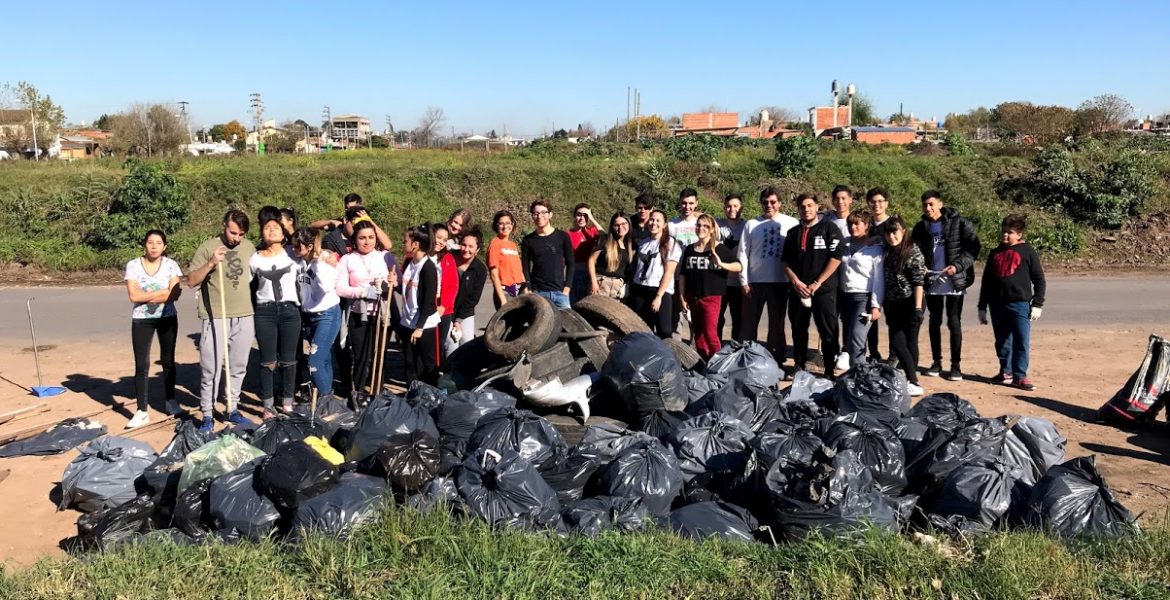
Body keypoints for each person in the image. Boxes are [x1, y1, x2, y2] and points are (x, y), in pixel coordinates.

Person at [187, 209, 256, 433]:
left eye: (241, 234)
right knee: (211, 368)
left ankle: (232, 408)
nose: (236, 238)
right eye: (233, 232)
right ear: (224, 226)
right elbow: (191, 280)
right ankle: (207, 413)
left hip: (245, 314)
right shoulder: (208, 247)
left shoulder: (249, 248)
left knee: (238, 366)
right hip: (216, 315)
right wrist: (211, 263)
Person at [912, 189, 981, 381]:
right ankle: (936, 363)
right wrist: (921, 265)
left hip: (954, 280)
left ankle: (955, 366)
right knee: (934, 321)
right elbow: (914, 250)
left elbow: (974, 247)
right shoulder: (921, 227)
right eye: (925, 205)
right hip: (932, 280)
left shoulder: (959, 223)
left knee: (954, 321)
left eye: (931, 204)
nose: (928, 208)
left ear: (940, 204)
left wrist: (957, 266)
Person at [978, 214, 1047, 392]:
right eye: (1003, 231)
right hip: (997, 304)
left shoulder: (1027, 251)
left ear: (1019, 234)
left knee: (1021, 340)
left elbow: (1039, 279)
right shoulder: (995, 253)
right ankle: (1005, 372)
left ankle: (1020, 376)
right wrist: (982, 306)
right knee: (1002, 341)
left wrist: (1037, 304)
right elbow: (986, 282)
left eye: (1010, 232)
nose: (1005, 235)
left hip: (1020, 304)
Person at [123, 229, 182, 429]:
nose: (154, 246)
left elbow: (174, 294)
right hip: (142, 320)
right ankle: (142, 411)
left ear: (164, 247)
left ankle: (171, 401)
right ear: (144, 245)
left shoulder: (171, 265)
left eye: (158, 243)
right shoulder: (133, 265)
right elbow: (133, 296)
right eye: (150, 242)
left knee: (168, 361)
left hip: (167, 317)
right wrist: (162, 293)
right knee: (142, 364)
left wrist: (147, 296)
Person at [738, 186, 800, 367]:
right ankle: (746, 358)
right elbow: (743, 253)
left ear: (780, 203)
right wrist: (744, 280)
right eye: (765, 202)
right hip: (754, 281)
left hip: (780, 282)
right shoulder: (751, 224)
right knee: (749, 323)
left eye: (773, 202)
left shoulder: (791, 223)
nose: (769, 205)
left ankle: (776, 360)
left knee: (777, 324)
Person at [782, 193, 843, 377]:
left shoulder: (829, 228)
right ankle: (799, 365)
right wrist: (795, 282)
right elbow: (785, 261)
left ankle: (829, 369)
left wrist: (818, 282)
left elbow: (836, 257)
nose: (806, 209)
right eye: (802, 206)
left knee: (828, 330)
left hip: (823, 290)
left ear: (817, 207)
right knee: (798, 329)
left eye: (810, 205)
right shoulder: (793, 232)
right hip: (798, 290)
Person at [250, 206, 303, 419]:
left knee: (289, 360)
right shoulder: (255, 258)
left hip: (290, 310)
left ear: (283, 234)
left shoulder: (294, 254)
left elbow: (312, 248)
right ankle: (268, 405)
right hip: (265, 311)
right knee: (267, 361)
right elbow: (242, 282)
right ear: (261, 233)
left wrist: (327, 256)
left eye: (275, 227)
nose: (271, 230)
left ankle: (287, 402)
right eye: (267, 228)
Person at [335, 218, 394, 403]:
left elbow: (398, 281)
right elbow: (340, 288)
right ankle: (358, 394)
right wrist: (362, 292)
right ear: (355, 240)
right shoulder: (347, 259)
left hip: (382, 313)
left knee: (379, 355)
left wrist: (391, 283)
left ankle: (377, 392)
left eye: (371, 237)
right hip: (358, 314)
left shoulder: (386, 257)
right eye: (362, 238)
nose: (367, 241)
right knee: (361, 356)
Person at [679, 213, 742, 360]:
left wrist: (721, 264)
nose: (701, 228)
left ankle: (718, 363)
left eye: (706, 226)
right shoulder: (689, 249)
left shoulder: (718, 248)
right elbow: (683, 275)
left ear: (712, 229)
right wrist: (682, 296)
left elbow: (738, 266)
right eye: (699, 225)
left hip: (711, 297)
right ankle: (704, 362)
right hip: (692, 296)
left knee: (710, 333)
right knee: (698, 333)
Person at [291, 227, 342, 403]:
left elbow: (327, 286)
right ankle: (327, 398)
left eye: (297, 246)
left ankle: (326, 401)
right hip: (309, 316)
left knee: (314, 362)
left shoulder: (323, 261)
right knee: (324, 359)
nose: (294, 249)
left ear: (309, 246)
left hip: (327, 314)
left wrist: (319, 263)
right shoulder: (300, 262)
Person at [882, 216, 926, 397]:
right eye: (888, 233)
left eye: (895, 232)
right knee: (897, 341)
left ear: (903, 231)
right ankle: (911, 378)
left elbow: (918, 282)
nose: (891, 237)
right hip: (893, 302)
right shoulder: (888, 251)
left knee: (908, 341)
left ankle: (913, 381)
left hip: (911, 302)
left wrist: (917, 308)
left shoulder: (913, 251)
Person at [836, 211, 884, 369]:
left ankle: (859, 374)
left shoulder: (875, 248)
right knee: (850, 339)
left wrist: (876, 305)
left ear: (866, 226)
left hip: (863, 298)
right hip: (845, 296)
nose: (853, 227)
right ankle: (855, 373)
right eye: (850, 224)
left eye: (857, 224)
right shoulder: (844, 245)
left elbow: (878, 279)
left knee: (857, 338)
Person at [627, 209, 682, 337]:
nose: (654, 223)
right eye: (652, 219)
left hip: (659, 290)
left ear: (664, 224)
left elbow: (669, 273)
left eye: (658, 220)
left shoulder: (670, 243)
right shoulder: (643, 243)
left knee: (664, 330)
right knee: (644, 329)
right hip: (640, 289)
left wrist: (658, 296)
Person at [399, 224, 442, 385]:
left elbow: (429, 302)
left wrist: (419, 327)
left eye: (405, 241)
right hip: (408, 320)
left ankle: (431, 392)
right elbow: (407, 289)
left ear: (415, 244)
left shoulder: (428, 267)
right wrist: (392, 283)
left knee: (427, 363)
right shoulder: (409, 263)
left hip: (424, 323)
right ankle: (412, 393)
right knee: (410, 362)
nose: (403, 243)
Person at [520, 198, 574, 309]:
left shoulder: (562, 236)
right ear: (532, 216)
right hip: (538, 293)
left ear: (550, 215)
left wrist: (567, 288)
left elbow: (571, 263)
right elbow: (525, 267)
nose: (539, 216)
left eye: (543, 212)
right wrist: (528, 288)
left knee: (567, 320)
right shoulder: (528, 240)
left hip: (560, 293)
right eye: (536, 213)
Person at [865, 186, 893, 362]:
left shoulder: (893, 224)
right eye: (873, 202)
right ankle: (873, 352)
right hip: (870, 277)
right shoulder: (866, 225)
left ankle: (894, 354)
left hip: (890, 276)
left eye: (880, 201)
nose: (877, 205)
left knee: (892, 319)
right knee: (871, 316)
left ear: (886, 203)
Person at [451, 228, 488, 352]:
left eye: (471, 246)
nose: (466, 249)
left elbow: (473, 298)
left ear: (477, 249)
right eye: (464, 245)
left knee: (467, 343)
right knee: (450, 343)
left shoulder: (480, 269)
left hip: (465, 312)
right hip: (446, 309)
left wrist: (458, 321)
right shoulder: (449, 259)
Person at [717, 193, 746, 341]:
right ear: (724, 208)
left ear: (741, 208)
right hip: (719, 281)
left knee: (738, 319)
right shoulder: (717, 224)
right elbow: (697, 217)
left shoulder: (747, 226)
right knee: (717, 318)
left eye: (735, 206)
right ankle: (716, 348)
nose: (732, 209)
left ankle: (736, 348)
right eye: (728, 206)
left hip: (738, 282)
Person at [588, 211, 635, 299]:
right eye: (616, 225)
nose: (620, 227)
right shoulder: (605, 240)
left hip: (618, 288)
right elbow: (591, 260)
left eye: (623, 224)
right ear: (612, 227)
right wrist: (594, 282)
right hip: (601, 284)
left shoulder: (630, 245)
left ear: (629, 224)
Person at [430, 223, 460, 360]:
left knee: (439, 344)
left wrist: (443, 306)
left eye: (444, 239)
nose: (441, 242)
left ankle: (438, 370)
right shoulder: (420, 255)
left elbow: (453, 286)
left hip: (444, 309)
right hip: (426, 306)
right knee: (426, 344)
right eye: (438, 237)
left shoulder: (448, 258)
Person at [487, 209, 524, 308]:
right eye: (501, 224)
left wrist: (525, 289)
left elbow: (519, 271)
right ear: (496, 226)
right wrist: (503, 299)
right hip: (505, 292)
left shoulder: (513, 245)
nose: (505, 226)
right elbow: (494, 274)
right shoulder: (495, 244)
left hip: (518, 292)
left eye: (508, 223)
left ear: (512, 224)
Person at [567, 202, 602, 303]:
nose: (582, 218)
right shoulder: (568, 234)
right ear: (574, 216)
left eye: (585, 215)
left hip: (593, 274)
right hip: (575, 274)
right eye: (579, 215)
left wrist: (592, 218)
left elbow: (606, 237)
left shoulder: (593, 232)